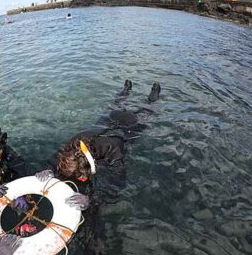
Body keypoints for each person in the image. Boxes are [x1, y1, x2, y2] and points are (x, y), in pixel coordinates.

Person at [36, 80, 161, 210]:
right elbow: (58, 156)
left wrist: (91, 199)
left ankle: (152, 93)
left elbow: (117, 183)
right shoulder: (75, 144)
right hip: (109, 119)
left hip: (128, 125)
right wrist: (49, 168)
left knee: (147, 110)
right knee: (116, 104)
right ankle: (126, 89)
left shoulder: (113, 152)